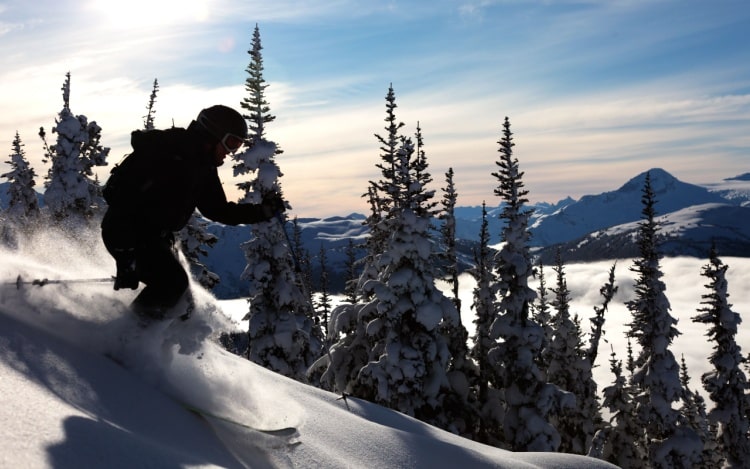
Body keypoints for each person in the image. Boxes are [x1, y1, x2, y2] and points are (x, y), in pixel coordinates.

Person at [101, 104, 284, 320]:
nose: (231, 152)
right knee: (171, 284)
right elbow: (122, 198)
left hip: (151, 237)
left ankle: (145, 343)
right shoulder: (169, 154)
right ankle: (125, 339)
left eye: (237, 145)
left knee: (181, 301)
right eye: (231, 142)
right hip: (126, 232)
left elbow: (217, 210)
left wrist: (262, 212)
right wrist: (126, 257)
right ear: (213, 134)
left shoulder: (202, 166)